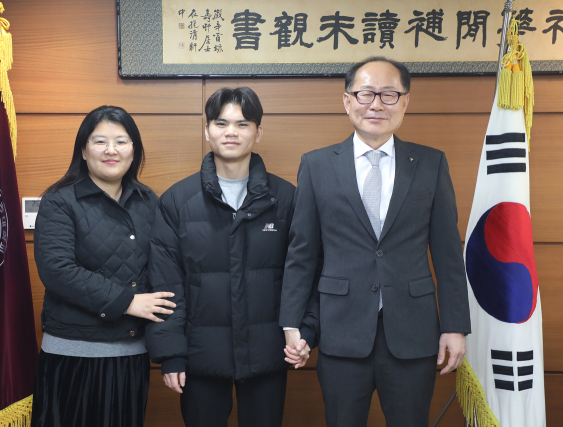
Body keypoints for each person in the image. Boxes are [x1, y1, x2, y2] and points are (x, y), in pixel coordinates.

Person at [279, 57, 471, 427]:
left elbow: (448, 253)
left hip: (413, 334)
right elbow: (302, 253)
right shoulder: (317, 165)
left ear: (405, 101)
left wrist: (454, 326)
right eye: (366, 93)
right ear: (348, 100)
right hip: (341, 331)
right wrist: (292, 323)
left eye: (389, 94)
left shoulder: (430, 163)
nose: (377, 104)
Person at [145, 87, 316, 427]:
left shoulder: (287, 199)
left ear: (258, 132)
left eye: (243, 123)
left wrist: (307, 330)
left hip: (268, 352)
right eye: (221, 123)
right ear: (207, 131)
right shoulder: (177, 201)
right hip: (199, 357)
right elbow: (166, 285)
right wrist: (171, 355)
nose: (231, 132)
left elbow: (307, 272)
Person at [30, 105, 175, 427]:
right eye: (100, 142)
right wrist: (128, 301)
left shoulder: (149, 201)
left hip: (131, 352)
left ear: (134, 150)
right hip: (73, 353)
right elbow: (57, 269)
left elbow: (164, 267)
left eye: (122, 141)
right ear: (83, 149)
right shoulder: (59, 200)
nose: (111, 150)